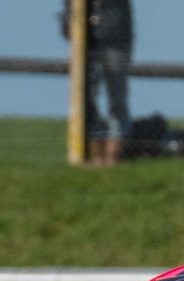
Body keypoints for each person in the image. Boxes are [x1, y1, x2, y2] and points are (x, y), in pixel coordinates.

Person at [60, 0, 133, 167]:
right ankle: (97, 157)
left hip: (115, 39)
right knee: (86, 99)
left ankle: (113, 158)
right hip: (85, 41)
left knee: (117, 99)